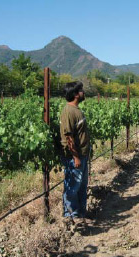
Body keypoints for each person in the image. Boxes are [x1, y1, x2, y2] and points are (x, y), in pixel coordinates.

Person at [60, 81, 90, 225]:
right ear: (76, 94)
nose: (83, 92)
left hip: (82, 155)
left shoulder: (76, 110)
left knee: (82, 187)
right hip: (75, 158)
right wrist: (76, 157)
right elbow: (68, 137)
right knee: (73, 187)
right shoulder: (69, 111)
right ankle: (71, 216)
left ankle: (81, 214)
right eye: (81, 90)